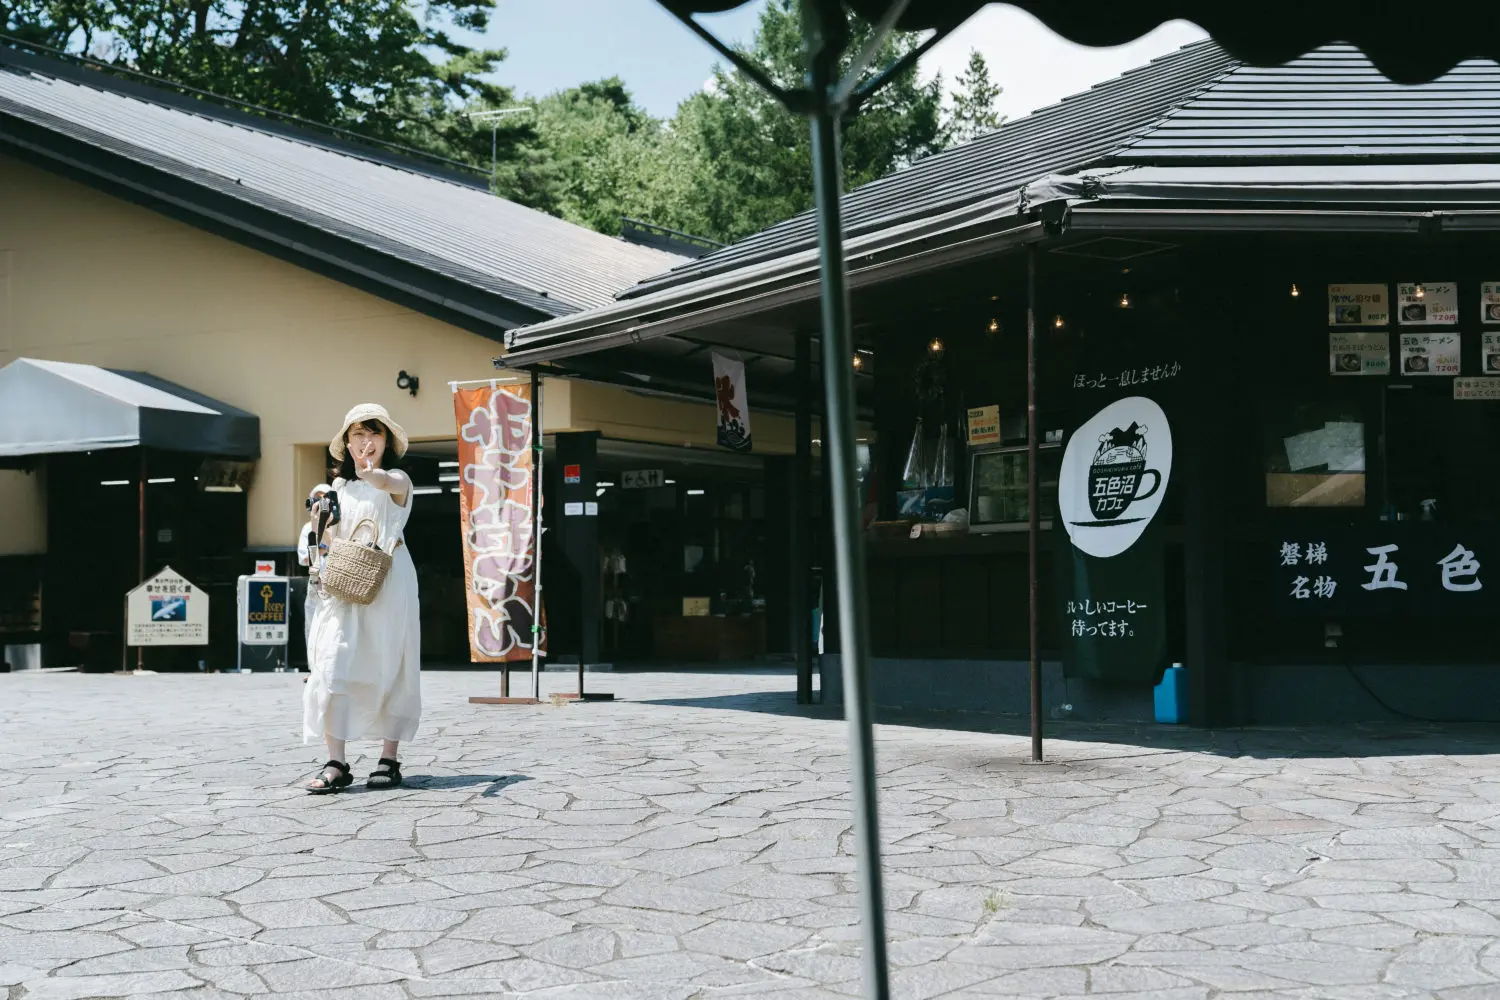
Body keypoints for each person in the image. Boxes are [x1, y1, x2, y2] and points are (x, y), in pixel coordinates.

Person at [303, 404, 421, 793]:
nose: (365, 442)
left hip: (388, 580)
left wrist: (374, 475)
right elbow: (320, 539)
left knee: (390, 662)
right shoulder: (334, 489)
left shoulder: (398, 479)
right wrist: (318, 526)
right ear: (346, 443)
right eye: (357, 435)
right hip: (342, 584)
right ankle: (336, 761)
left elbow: (388, 483)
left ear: (387, 441)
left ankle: (389, 758)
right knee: (331, 663)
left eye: (374, 434)